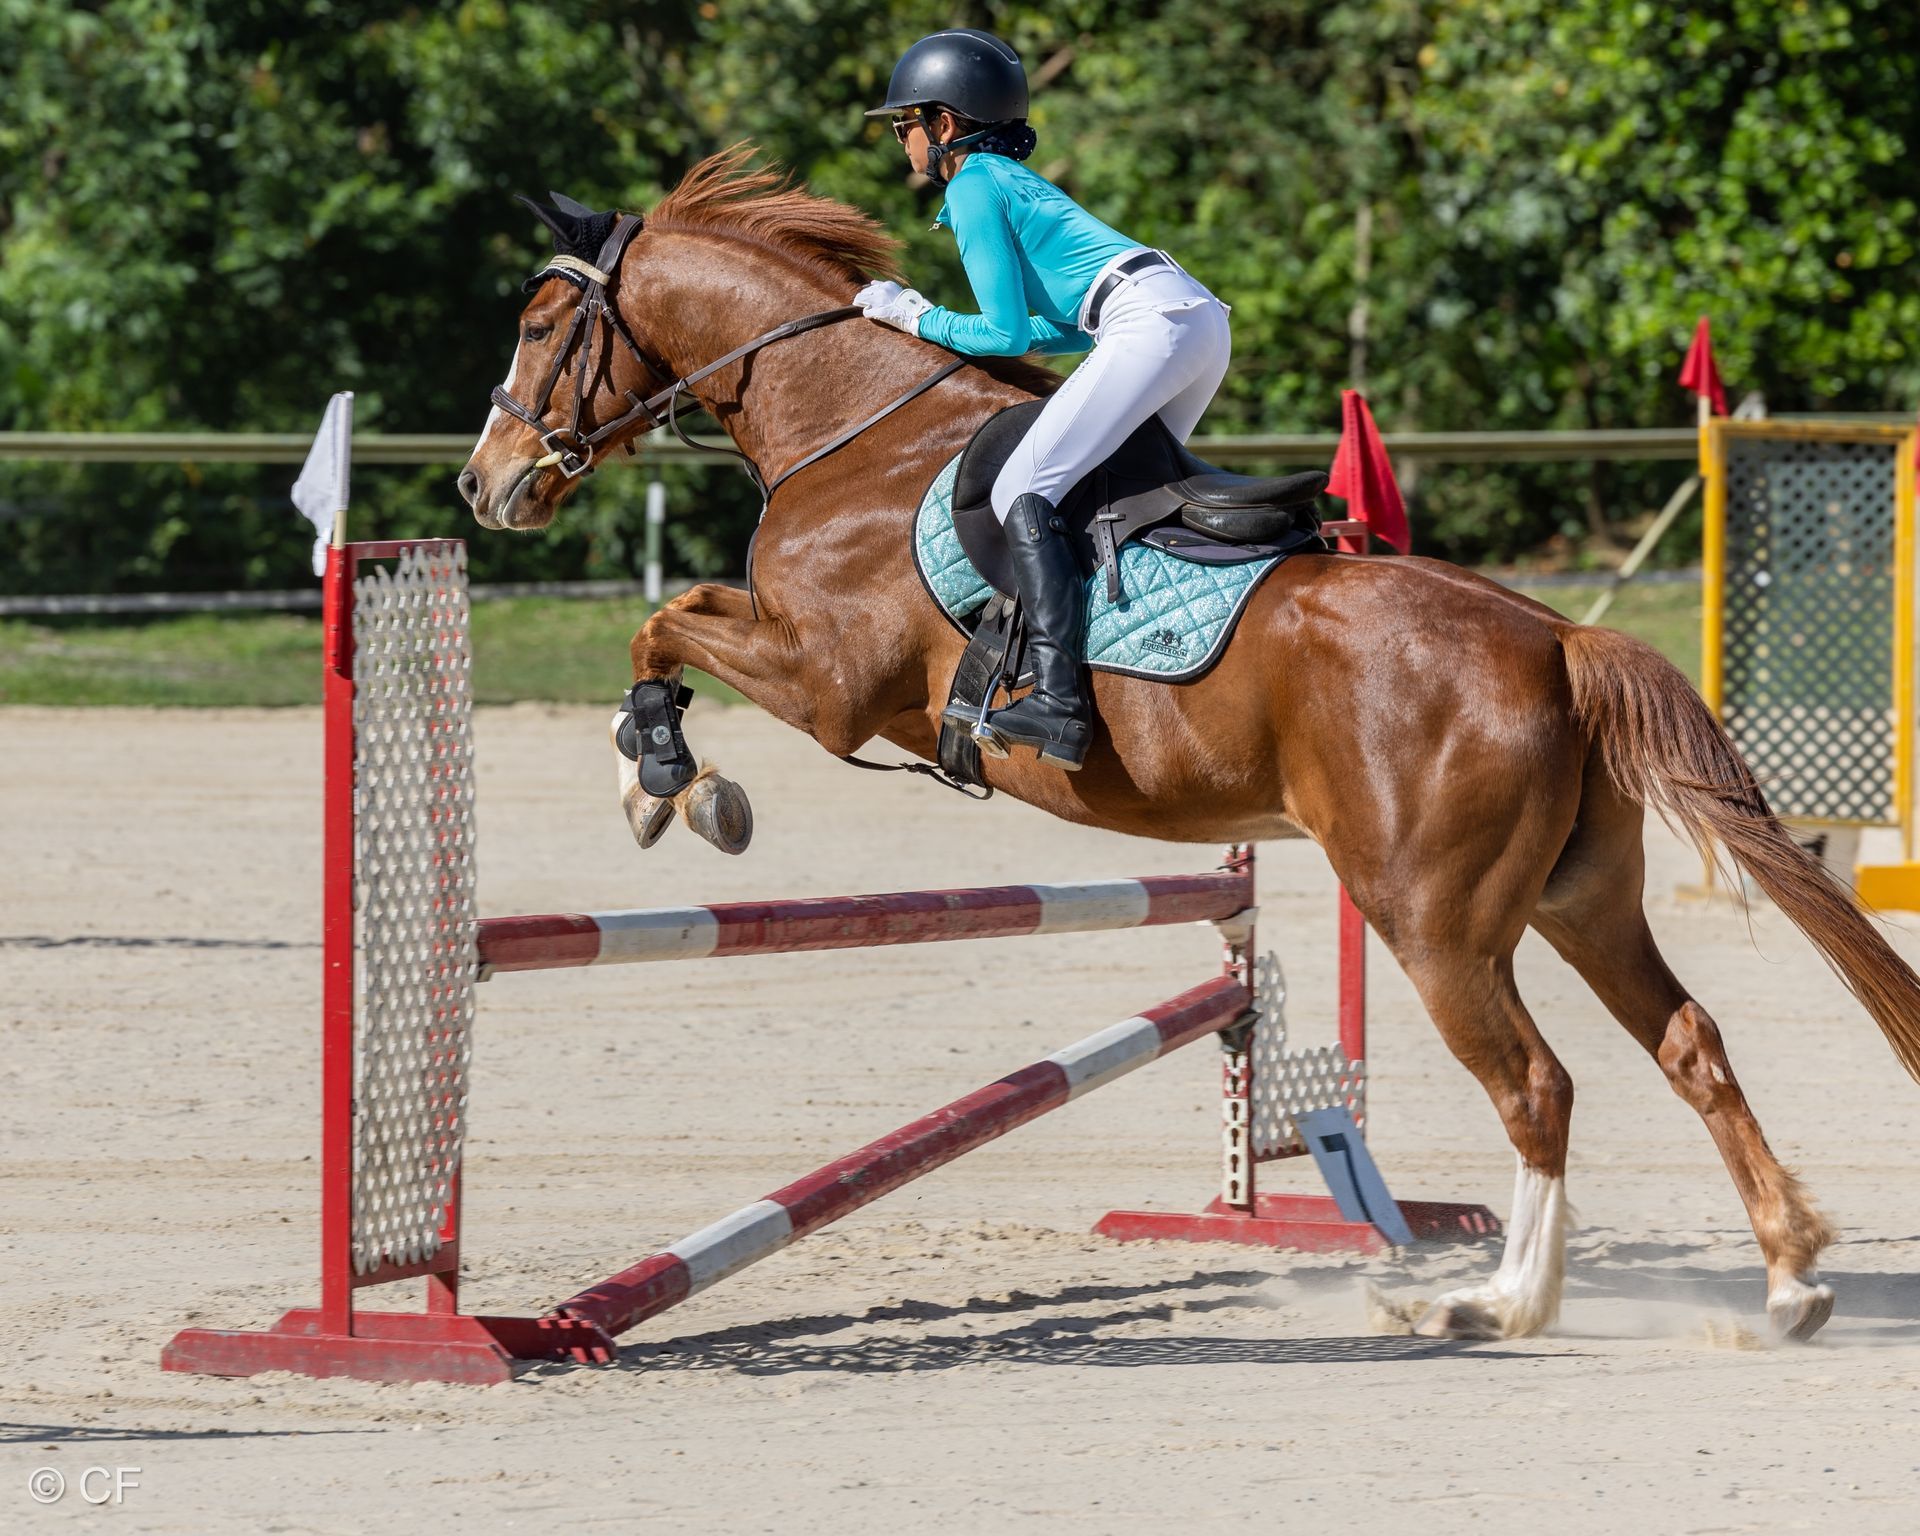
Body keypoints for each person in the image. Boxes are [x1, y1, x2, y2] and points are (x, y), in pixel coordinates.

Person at [857, 29, 1233, 772]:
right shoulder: (1007, 181)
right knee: (1119, 494)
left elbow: (1000, 333)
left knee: (1020, 488)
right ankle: (1149, 654)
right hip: (1192, 318)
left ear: (944, 125)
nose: (900, 141)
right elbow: (1051, 328)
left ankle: (1061, 701)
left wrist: (910, 315)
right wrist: (933, 317)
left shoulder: (972, 185)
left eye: (905, 125)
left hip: (1148, 322)